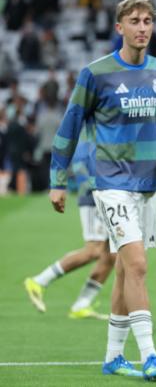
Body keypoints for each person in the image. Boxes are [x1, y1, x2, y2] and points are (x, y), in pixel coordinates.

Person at [49, 0, 156, 380]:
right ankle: (150, 355)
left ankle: (112, 357)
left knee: (127, 270)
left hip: (147, 185)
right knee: (138, 263)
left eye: (147, 21)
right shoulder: (96, 73)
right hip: (110, 184)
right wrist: (57, 180)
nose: (142, 27)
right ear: (119, 27)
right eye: (135, 21)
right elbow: (69, 126)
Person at [25, 127, 115, 319]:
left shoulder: (103, 125)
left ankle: (82, 304)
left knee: (111, 254)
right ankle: (39, 281)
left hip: (108, 192)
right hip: (95, 193)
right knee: (94, 249)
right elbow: (83, 158)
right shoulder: (93, 128)